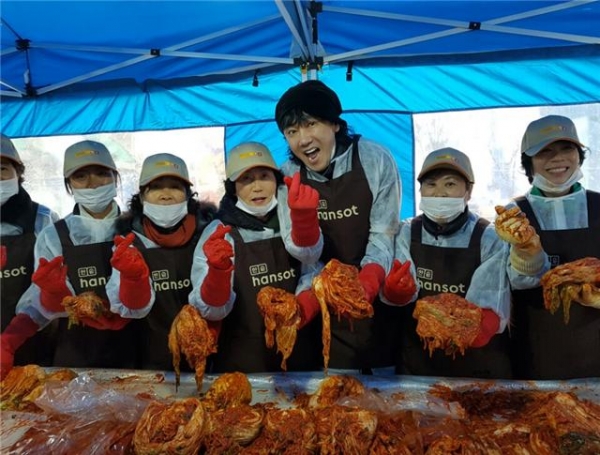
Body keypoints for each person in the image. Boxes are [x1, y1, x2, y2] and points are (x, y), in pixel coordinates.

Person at [382, 147, 547, 379]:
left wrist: (482, 325)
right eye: (431, 184)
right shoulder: (406, 232)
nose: (439, 193)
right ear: (420, 190)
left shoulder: (489, 237)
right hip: (419, 365)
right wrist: (395, 292)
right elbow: (397, 291)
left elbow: (493, 298)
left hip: (479, 367)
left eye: (450, 184)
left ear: (468, 191)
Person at [275, 80, 401, 372]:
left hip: (378, 302)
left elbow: (384, 231)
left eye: (310, 124)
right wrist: (304, 222)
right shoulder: (289, 175)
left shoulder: (375, 159)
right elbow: (305, 258)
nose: (303, 139)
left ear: (334, 124)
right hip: (325, 311)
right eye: (292, 132)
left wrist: (368, 280)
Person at [0, 139, 134, 377]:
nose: (92, 184)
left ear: (116, 177)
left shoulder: (137, 228)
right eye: (80, 176)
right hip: (76, 354)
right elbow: (37, 304)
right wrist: (9, 340)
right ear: (69, 185)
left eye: (102, 173)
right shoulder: (54, 235)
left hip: (137, 350)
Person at [189, 141, 324, 373]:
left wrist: (302, 307)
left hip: (301, 357)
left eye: (264, 176)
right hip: (243, 364)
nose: (257, 187)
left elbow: (314, 270)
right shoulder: (219, 233)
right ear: (233, 188)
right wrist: (217, 275)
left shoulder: (291, 220)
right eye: (246, 180)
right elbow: (211, 310)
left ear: (276, 180)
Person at [505, 115, 600, 379]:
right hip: (536, 355)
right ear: (529, 163)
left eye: (566, 149)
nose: (557, 159)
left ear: (579, 155)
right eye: (544, 152)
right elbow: (512, 283)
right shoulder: (513, 216)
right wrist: (527, 254)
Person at [106, 153, 217, 371]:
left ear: (188, 195)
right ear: (141, 196)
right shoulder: (128, 242)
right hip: (151, 363)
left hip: (210, 357)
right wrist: (132, 278)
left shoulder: (211, 233)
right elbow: (128, 307)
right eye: (156, 187)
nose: (166, 195)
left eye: (175, 187)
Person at [0, 134, 60, 374]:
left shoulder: (43, 219)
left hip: (36, 343)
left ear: (18, 173)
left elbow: (50, 293)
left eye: (2, 169)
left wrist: (10, 339)